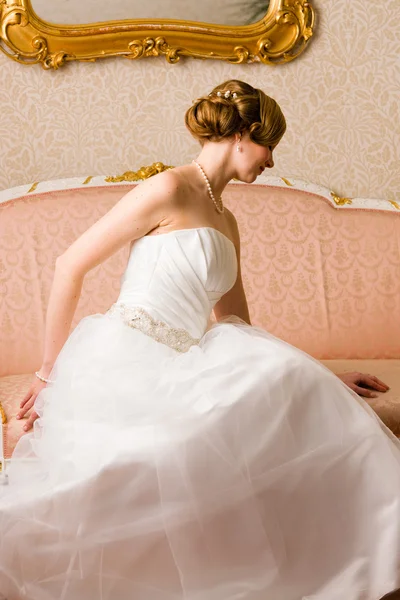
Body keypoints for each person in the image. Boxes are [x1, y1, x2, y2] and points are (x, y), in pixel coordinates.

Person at [0, 79, 399, 600]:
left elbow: (238, 326)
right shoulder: (168, 188)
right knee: (143, 461)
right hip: (126, 353)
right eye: (268, 144)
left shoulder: (227, 220)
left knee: (289, 397)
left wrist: (323, 377)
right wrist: (48, 372)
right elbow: (68, 265)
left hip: (187, 361)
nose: (272, 161)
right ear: (242, 134)